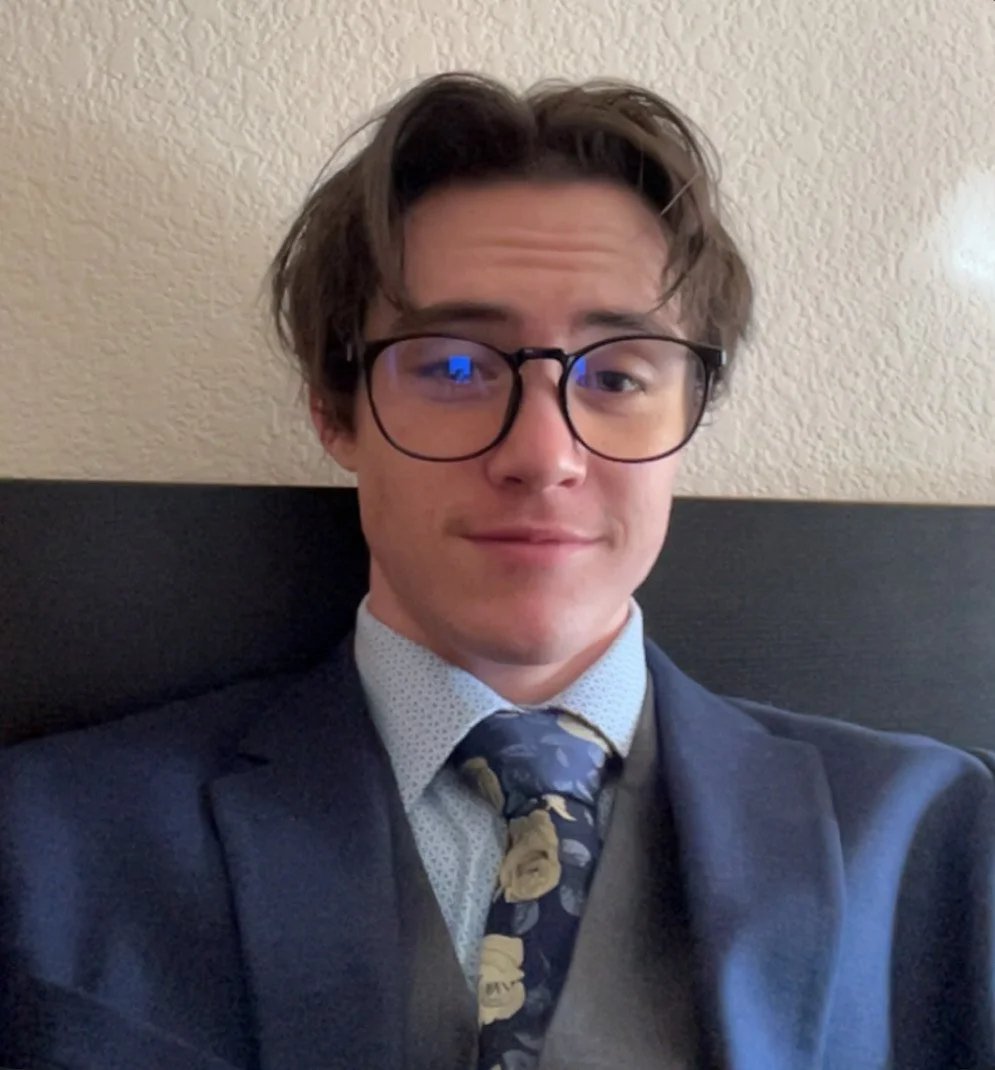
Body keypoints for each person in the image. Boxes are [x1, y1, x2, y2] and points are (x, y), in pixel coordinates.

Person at [0, 72, 992, 1070]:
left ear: (689, 414)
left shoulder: (937, 839)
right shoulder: (45, 843)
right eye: (455, 367)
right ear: (332, 409)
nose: (542, 452)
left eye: (614, 376)